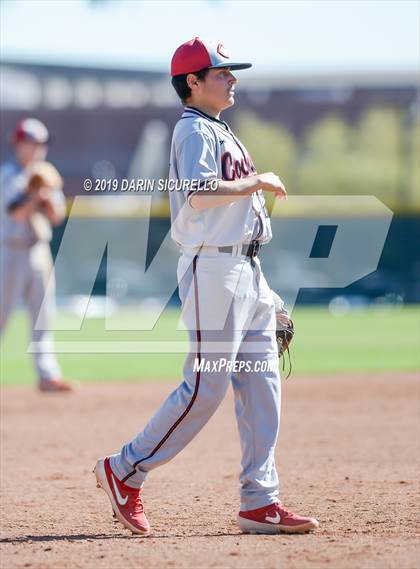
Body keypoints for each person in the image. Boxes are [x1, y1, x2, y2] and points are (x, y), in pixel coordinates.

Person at [94, 37, 318, 535]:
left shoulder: (220, 130)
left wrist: (269, 296)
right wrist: (257, 181)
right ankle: (125, 470)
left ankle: (260, 501)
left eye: (231, 72)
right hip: (213, 271)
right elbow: (199, 194)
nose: (232, 78)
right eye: (221, 73)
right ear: (193, 83)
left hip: (247, 271)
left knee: (263, 387)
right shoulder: (194, 131)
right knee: (205, 386)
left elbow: (241, 218)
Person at [0, 118, 72, 392]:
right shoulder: (9, 174)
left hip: (39, 250)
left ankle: (47, 375)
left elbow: (57, 216)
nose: (37, 148)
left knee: (44, 316)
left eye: (41, 143)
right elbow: (16, 212)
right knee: (2, 316)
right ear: (18, 144)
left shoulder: (46, 174)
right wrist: (37, 193)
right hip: (10, 251)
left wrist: (47, 193)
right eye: (31, 142)